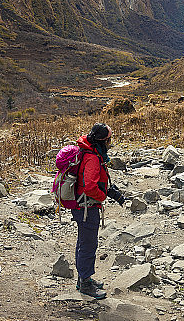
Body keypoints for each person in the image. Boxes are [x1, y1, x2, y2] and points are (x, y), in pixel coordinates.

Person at [73, 123, 125, 299]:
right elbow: (89, 186)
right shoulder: (93, 158)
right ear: (104, 140)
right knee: (88, 245)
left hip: (82, 205)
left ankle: (83, 278)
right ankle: (86, 283)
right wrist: (103, 196)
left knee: (83, 242)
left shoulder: (89, 152)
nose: (111, 142)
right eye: (110, 139)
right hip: (87, 206)